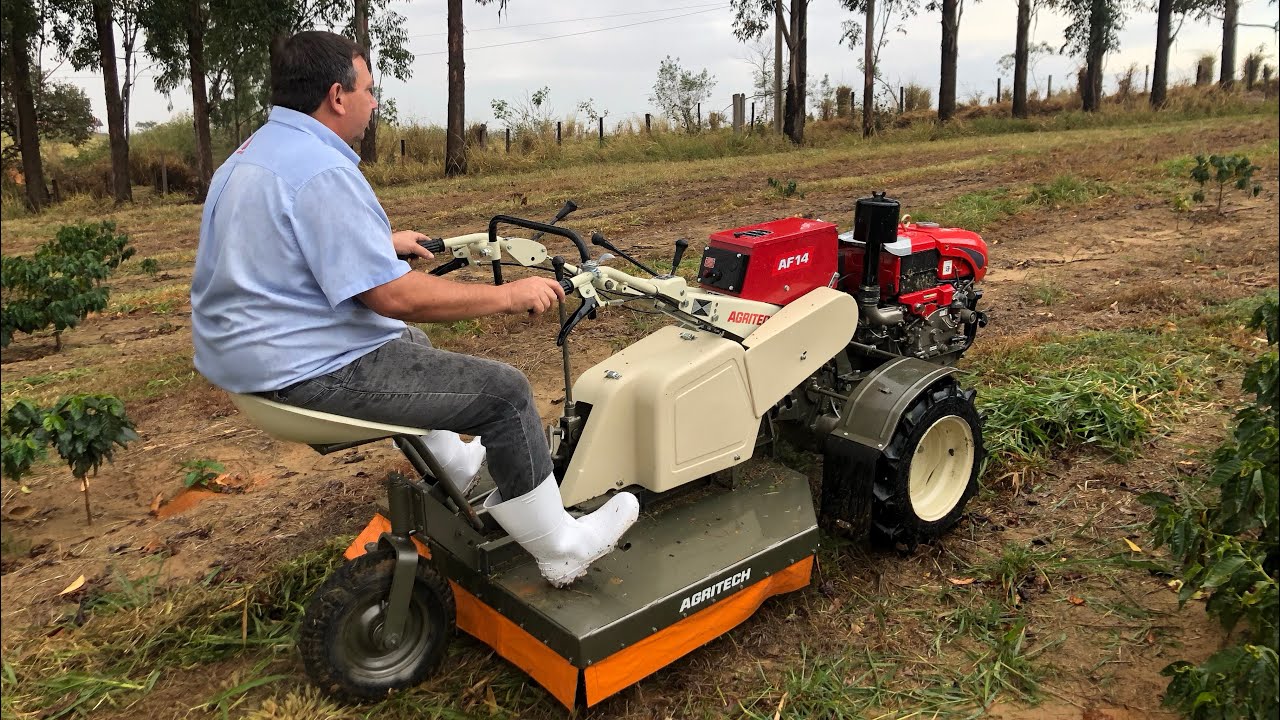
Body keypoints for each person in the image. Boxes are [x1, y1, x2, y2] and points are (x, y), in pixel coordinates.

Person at [190, 31, 637, 588]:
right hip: (297, 371)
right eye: (369, 91)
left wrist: (381, 243)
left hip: (248, 357)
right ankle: (562, 548)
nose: (374, 104)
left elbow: (284, 242)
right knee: (504, 393)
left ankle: (455, 462)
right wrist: (508, 295)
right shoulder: (322, 171)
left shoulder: (258, 151)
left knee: (404, 344)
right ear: (336, 95)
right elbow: (395, 296)